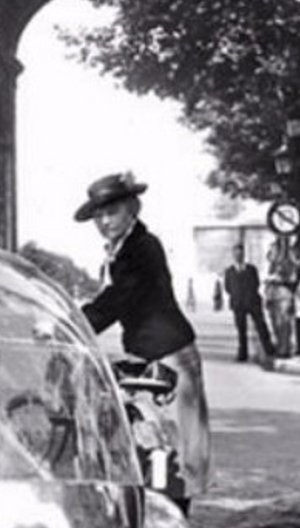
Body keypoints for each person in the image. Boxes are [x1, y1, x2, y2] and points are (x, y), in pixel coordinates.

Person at [75, 171, 210, 508]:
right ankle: (165, 517)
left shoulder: (142, 247)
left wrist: (76, 322)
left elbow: (120, 297)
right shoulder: (124, 247)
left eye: (112, 212)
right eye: (98, 216)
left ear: (132, 209)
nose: (104, 221)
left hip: (171, 354)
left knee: (180, 449)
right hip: (151, 355)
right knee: (156, 445)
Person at [224, 243, 276, 361]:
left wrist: (249, 295)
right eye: (236, 253)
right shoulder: (229, 271)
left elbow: (256, 283)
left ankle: (269, 349)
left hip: (253, 302)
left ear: (244, 254)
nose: (238, 256)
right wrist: (237, 296)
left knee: (261, 326)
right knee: (241, 330)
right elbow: (227, 288)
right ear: (233, 255)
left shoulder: (251, 269)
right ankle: (242, 354)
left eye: (240, 253)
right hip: (238, 304)